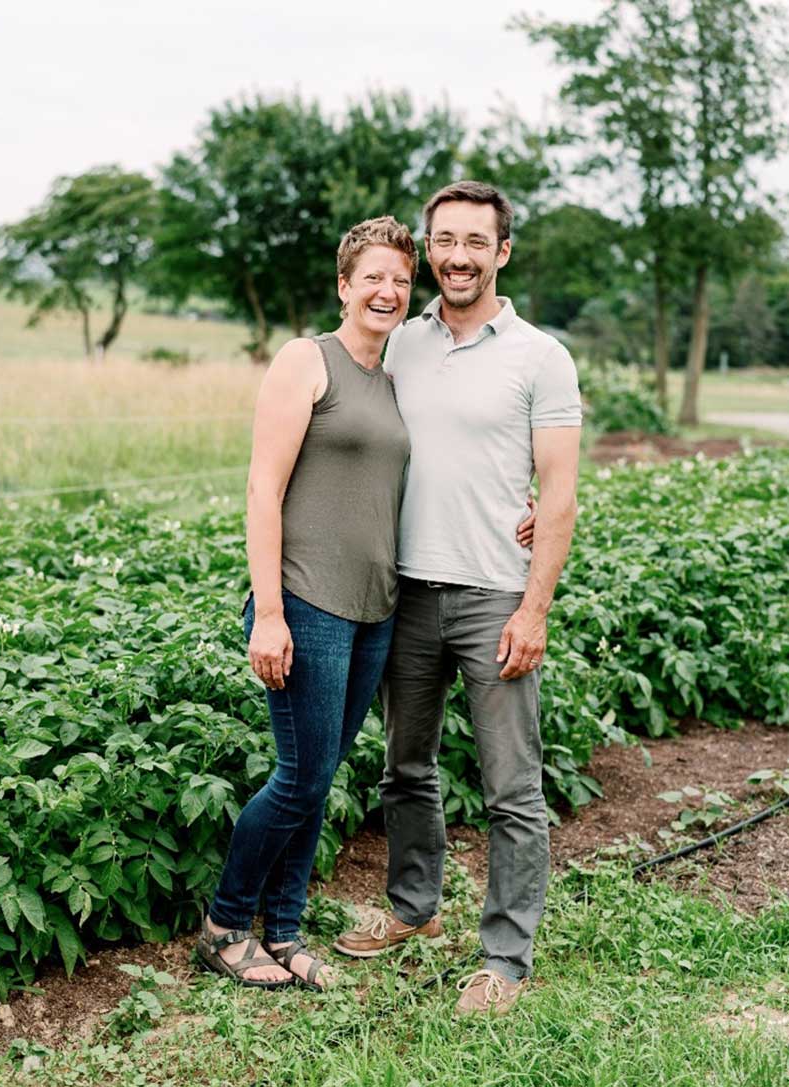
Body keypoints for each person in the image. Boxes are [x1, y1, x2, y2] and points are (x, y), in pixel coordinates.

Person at [334, 181, 582, 1017]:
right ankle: (413, 910)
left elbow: (559, 493)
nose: (458, 256)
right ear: (428, 248)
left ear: (503, 252)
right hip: (405, 593)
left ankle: (505, 957)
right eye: (444, 240)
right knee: (406, 767)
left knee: (512, 786)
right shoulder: (399, 342)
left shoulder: (541, 357)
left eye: (476, 241)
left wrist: (534, 606)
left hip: (493, 595)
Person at [196, 216, 420, 990]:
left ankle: (285, 931)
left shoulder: (393, 383)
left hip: (374, 609)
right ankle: (226, 923)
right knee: (298, 775)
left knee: (321, 773)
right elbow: (263, 488)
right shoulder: (307, 360)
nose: (387, 291)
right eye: (373, 278)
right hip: (307, 600)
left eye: (400, 279)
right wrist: (268, 611)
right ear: (344, 286)